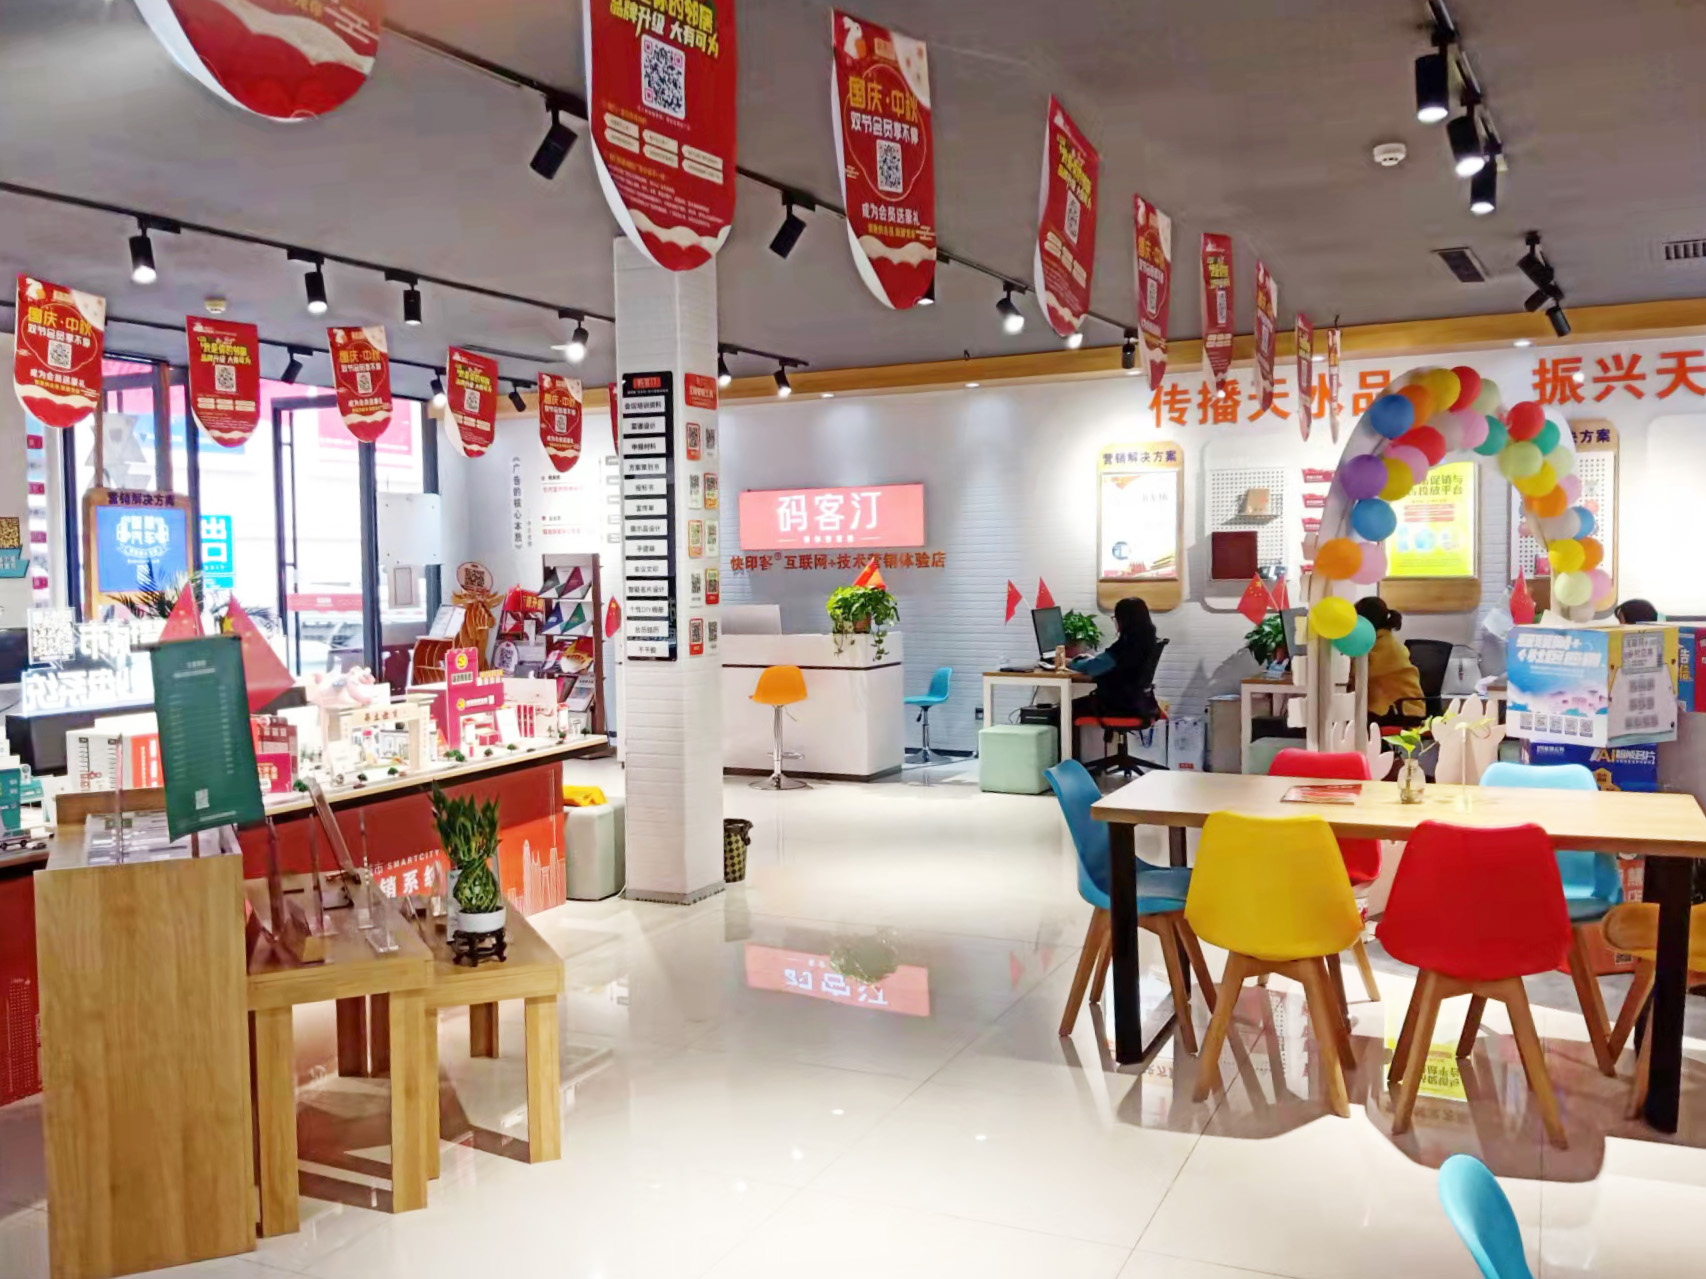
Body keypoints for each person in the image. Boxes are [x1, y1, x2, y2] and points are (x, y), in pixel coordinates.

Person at [1070, 597, 1162, 720]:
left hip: (1117, 705)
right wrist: (1094, 660)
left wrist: (1071, 662)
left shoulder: (1126, 645)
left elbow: (1092, 668)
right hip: (1139, 703)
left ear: (1124, 620)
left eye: (1115, 618)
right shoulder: (1147, 641)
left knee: (1064, 710)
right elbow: (1108, 663)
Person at [1356, 596, 1426, 723]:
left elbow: (1361, 673)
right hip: (1397, 708)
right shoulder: (1383, 640)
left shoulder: (1383, 646)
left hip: (1402, 710)